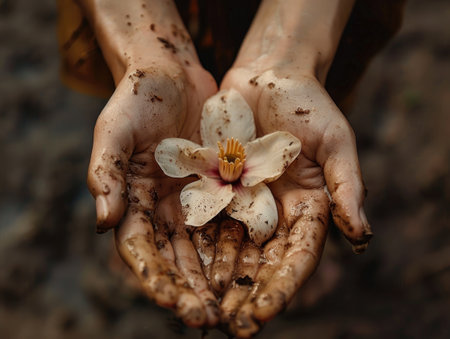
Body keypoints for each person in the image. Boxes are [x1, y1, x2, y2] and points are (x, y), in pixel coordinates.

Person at [57, 0, 405, 337]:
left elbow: (283, 155)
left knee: (320, 111)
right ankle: (129, 215)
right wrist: (146, 51)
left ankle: (328, 222)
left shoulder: (254, 161)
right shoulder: (199, 161)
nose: (230, 160)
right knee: (130, 128)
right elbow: (172, 161)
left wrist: (288, 54)